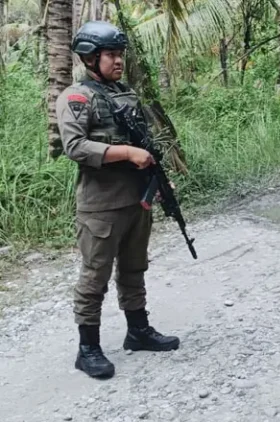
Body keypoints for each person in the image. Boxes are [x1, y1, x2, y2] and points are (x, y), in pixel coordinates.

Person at [55, 20, 180, 379]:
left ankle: (138, 330)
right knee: (95, 275)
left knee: (134, 268)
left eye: (120, 54)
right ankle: (88, 349)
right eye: (110, 54)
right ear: (89, 58)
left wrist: (158, 178)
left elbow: (145, 143)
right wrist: (125, 153)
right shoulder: (77, 97)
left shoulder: (125, 93)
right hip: (102, 205)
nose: (118, 60)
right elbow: (75, 147)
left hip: (136, 200)